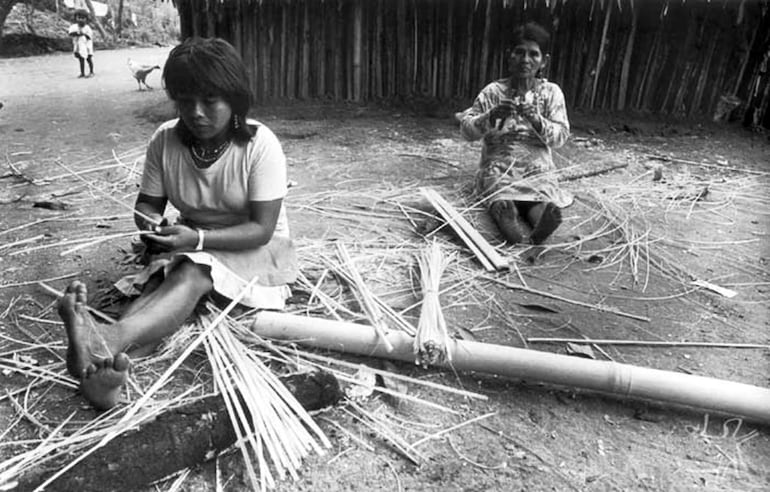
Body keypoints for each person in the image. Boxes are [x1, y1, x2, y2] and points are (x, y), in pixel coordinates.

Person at [57, 37, 298, 410]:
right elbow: (148, 205)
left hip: (256, 252)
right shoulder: (165, 141)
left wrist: (197, 238)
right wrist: (150, 225)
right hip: (189, 242)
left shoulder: (259, 144)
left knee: (192, 274)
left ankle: (105, 339)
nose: (197, 112)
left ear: (233, 97)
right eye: (185, 101)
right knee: (157, 291)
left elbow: (262, 229)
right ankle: (109, 374)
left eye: (209, 101)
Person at [459, 22, 572, 246]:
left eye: (533, 54)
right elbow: (467, 131)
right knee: (499, 189)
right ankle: (509, 223)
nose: (526, 60)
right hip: (498, 164)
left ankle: (541, 226)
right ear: (509, 56)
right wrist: (489, 117)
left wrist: (537, 121)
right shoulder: (493, 92)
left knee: (539, 192)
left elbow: (561, 136)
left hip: (536, 167)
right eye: (519, 52)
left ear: (544, 61)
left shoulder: (551, 93)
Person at [68, 10, 94, 78]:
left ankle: (91, 71)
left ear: (86, 19)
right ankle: (82, 73)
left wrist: (83, 34)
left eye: (83, 18)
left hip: (87, 46)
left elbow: (89, 36)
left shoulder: (87, 28)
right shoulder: (74, 27)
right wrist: (77, 33)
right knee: (81, 59)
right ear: (76, 18)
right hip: (78, 46)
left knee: (88, 58)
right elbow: (70, 33)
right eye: (79, 18)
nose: (81, 20)